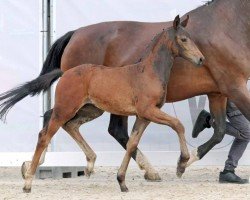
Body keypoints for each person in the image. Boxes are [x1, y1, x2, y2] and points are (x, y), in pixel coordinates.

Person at [192, 100, 249, 184]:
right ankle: (208, 119)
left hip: (239, 96)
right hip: (234, 95)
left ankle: (228, 171)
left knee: (245, 135)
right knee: (246, 133)